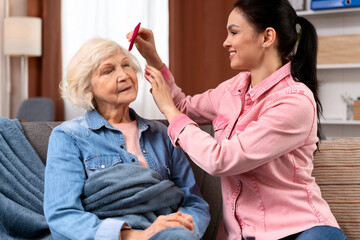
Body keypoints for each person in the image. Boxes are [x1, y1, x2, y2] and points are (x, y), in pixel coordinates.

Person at [129, 0, 349, 239]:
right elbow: (184, 107)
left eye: (233, 32)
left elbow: (220, 159)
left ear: (267, 37)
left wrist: (170, 112)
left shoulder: (294, 102)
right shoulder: (233, 89)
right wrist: (153, 58)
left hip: (302, 231)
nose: (226, 42)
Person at [43, 38, 210, 240]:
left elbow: (195, 204)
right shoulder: (69, 136)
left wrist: (183, 227)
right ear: (88, 88)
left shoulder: (163, 133)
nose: (124, 75)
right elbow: (63, 216)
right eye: (108, 71)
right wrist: (138, 236)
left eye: (126, 65)